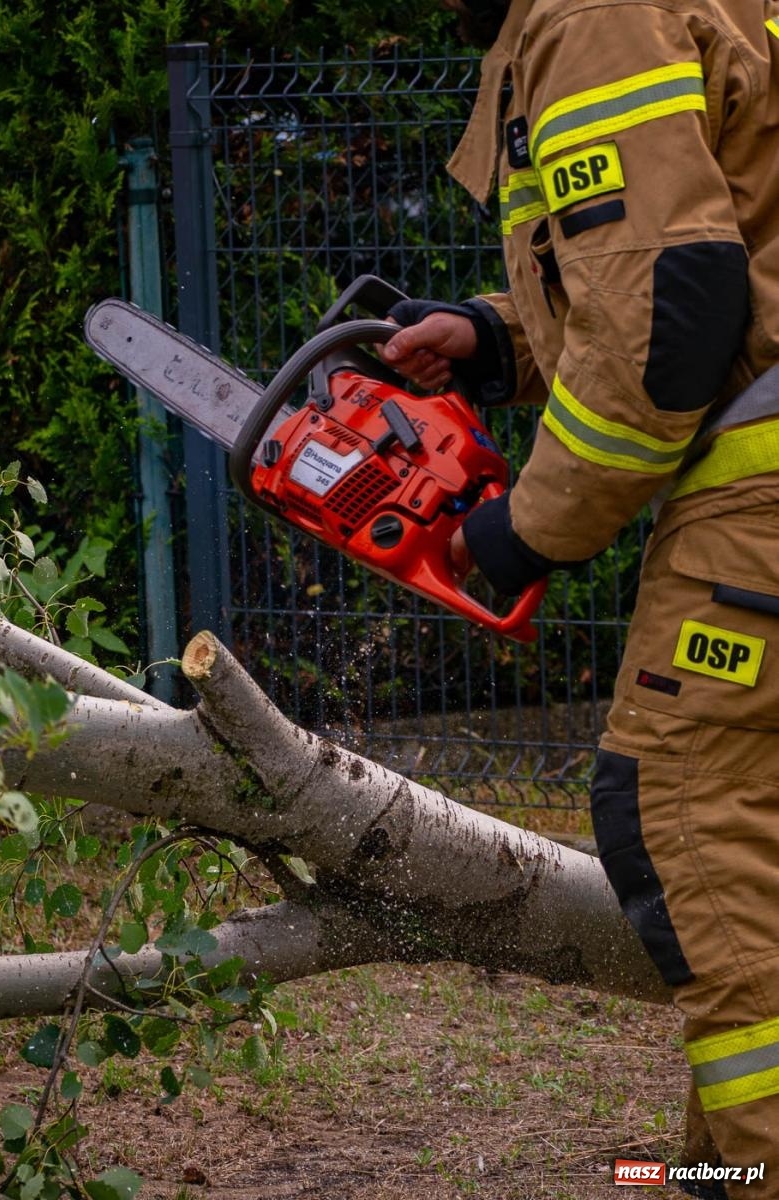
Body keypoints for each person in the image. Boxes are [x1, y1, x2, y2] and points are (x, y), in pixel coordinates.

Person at [377, 2, 779, 1197]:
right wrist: (498, 342)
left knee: (684, 800)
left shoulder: (593, 12)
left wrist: (523, 531)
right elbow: (705, 254)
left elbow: (675, 319)